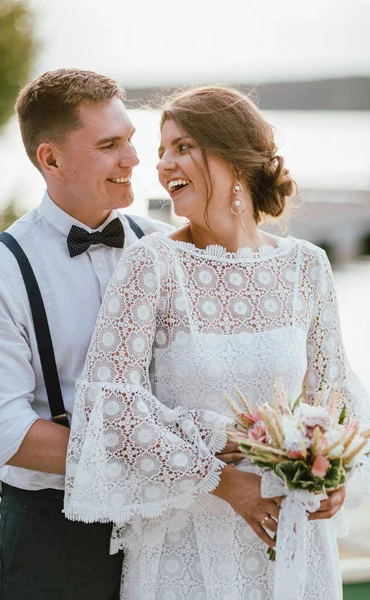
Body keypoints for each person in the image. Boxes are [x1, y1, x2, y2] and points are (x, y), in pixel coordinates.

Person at [64, 85, 370, 600]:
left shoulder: (306, 267)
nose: (162, 165)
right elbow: (111, 410)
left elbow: (335, 397)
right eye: (162, 151)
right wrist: (223, 476)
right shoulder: (152, 265)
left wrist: (335, 472)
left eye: (182, 146)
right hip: (187, 547)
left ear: (233, 155)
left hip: (293, 538)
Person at [0, 68, 173, 599]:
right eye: (109, 145)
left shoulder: (165, 247)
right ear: (51, 158)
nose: (132, 160)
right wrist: (152, 457)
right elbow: (4, 431)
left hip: (168, 528)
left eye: (130, 140)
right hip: (52, 540)